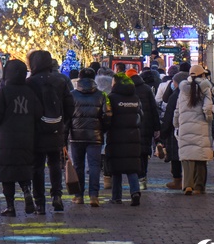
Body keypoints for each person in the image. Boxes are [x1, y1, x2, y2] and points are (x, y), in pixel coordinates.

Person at [26, 50, 74, 213]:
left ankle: (40, 202)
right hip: (56, 128)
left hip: (37, 130)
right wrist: (63, 121)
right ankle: (57, 196)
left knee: (37, 167)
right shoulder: (61, 80)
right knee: (55, 164)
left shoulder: (30, 82)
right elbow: (70, 105)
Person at [0, 60, 41, 216]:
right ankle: (26, 190)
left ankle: (10, 206)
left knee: (7, 172)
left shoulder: (5, 91)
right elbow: (38, 113)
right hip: (26, 136)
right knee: (23, 167)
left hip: (6, 137)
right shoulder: (30, 92)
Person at [68, 68, 106, 206]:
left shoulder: (72, 95)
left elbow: (67, 117)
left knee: (78, 166)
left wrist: (66, 133)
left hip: (76, 135)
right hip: (95, 135)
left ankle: (79, 196)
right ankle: (94, 195)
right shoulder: (101, 95)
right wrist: (102, 129)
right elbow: (106, 116)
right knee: (94, 166)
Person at [173, 65, 214, 195]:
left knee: (187, 156)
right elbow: (208, 108)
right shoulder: (205, 87)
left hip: (185, 125)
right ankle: (199, 186)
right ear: (202, 75)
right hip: (200, 124)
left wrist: (176, 123)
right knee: (200, 156)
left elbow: (177, 109)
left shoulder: (183, 88)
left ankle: (187, 185)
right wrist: (209, 118)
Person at [105, 73, 142, 206]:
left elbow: (107, 116)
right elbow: (140, 115)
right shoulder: (135, 98)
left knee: (116, 168)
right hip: (133, 136)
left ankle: (116, 197)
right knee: (131, 167)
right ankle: (135, 191)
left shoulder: (111, 98)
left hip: (116, 136)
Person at [131, 69, 160, 190]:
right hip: (146, 125)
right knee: (144, 152)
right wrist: (157, 128)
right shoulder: (147, 89)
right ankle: (143, 178)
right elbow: (154, 109)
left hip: (131, 125)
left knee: (133, 153)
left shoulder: (128, 89)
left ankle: (136, 178)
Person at [160, 71, 188, 189]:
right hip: (190, 129)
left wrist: (163, 133)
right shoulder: (195, 92)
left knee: (176, 156)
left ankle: (177, 180)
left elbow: (169, 115)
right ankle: (191, 181)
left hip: (176, 130)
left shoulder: (175, 95)